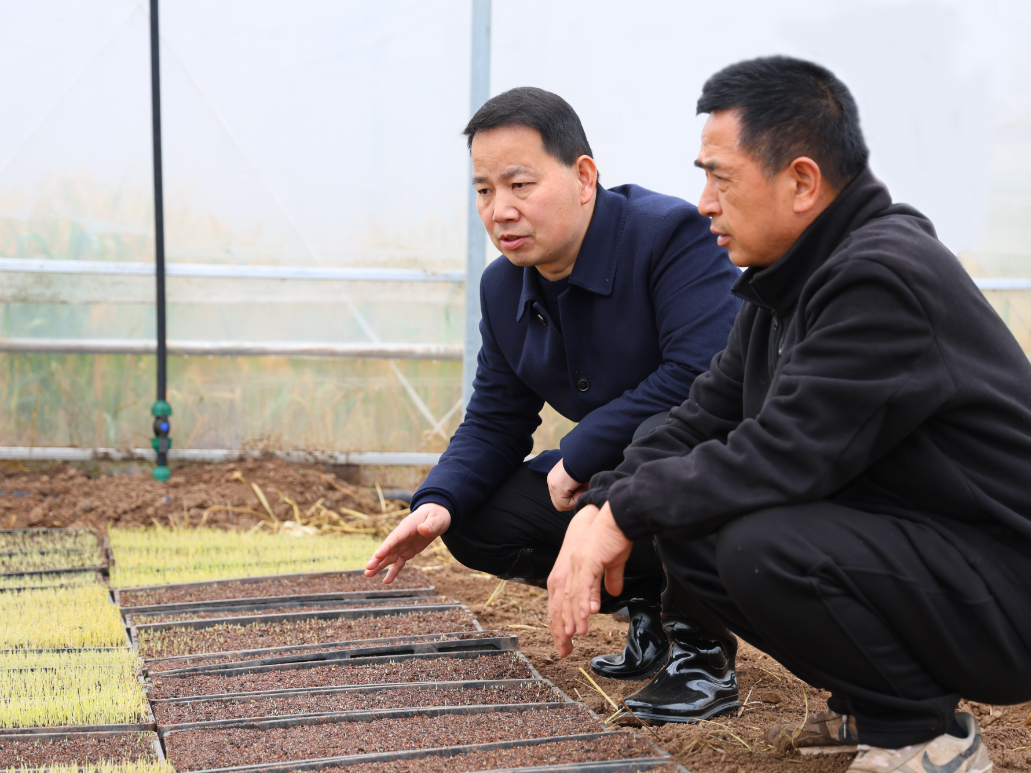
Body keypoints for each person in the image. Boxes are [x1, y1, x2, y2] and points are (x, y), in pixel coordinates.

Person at [548, 55, 1031, 773]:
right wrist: (609, 499)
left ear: (801, 181)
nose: (703, 202)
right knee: (693, 526)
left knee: (761, 541)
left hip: (1008, 592)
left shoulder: (881, 276)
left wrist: (618, 517)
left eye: (720, 176)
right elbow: (700, 414)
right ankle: (875, 703)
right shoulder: (789, 285)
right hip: (943, 565)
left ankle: (923, 738)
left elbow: (780, 453)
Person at [365, 86, 741, 709]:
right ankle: (646, 604)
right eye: (484, 190)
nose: (499, 211)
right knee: (476, 518)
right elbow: (495, 417)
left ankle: (702, 652)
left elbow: (703, 374)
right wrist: (438, 499)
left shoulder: (670, 236)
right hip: (615, 478)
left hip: (708, 465)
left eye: (520, 185)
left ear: (584, 177)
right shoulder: (503, 287)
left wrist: (581, 455)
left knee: (679, 475)